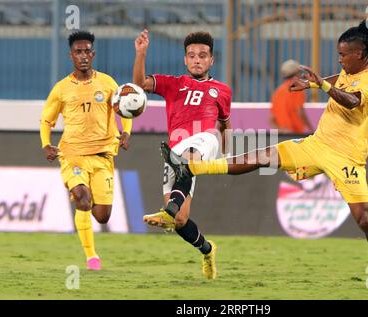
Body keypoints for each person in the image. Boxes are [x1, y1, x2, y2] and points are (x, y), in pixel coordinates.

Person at [161, 20, 368, 286]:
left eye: (343, 55)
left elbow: (352, 102)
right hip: (317, 145)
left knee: (364, 219)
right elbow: (338, 81)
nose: (339, 60)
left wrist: (324, 87)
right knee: (264, 156)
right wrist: (313, 84)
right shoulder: (348, 73)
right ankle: (194, 167)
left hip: (347, 158)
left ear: (360, 55)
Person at [133, 29, 232, 280]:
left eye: (202, 55)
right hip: (176, 151)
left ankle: (168, 208)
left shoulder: (221, 90)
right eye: (191, 55)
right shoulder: (173, 84)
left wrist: (226, 152)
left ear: (212, 60)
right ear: (185, 60)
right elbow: (139, 85)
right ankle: (208, 250)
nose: (197, 59)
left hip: (205, 141)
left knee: (189, 158)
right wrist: (141, 54)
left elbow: (224, 123)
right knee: (179, 219)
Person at [40, 31, 133, 270]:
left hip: (103, 155)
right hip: (73, 154)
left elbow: (125, 110)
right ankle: (92, 258)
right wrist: (46, 143)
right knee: (82, 198)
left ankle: (87, 210)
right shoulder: (61, 88)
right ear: (71, 55)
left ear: (93, 54)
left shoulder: (108, 83)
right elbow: (46, 120)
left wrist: (126, 132)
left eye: (87, 51)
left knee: (102, 215)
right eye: (78, 52)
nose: (83, 56)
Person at [270, 59, 314, 134]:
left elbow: (272, 118)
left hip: (282, 136)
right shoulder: (297, 89)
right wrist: (311, 129)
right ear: (296, 73)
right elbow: (300, 112)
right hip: (295, 134)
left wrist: (280, 130)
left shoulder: (277, 92)